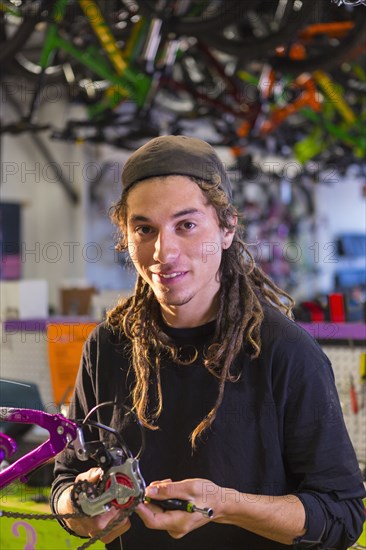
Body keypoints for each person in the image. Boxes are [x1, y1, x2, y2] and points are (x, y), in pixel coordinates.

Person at [51, 135, 365, 550]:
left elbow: (342, 516)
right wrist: (79, 508)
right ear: (125, 235)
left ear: (227, 228)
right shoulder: (107, 346)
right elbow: (64, 479)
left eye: (186, 225)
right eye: (144, 228)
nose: (164, 252)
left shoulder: (284, 352)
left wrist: (228, 506)